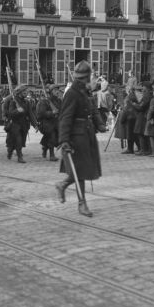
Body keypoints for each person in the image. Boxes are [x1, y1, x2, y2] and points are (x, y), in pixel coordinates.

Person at [55, 60, 106, 217]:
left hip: (87, 135)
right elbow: (65, 118)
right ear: (86, 77)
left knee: (83, 170)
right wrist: (64, 140)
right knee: (80, 172)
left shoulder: (85, 91)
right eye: (91, 77)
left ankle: (63, 185)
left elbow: (92, 111)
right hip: (76, 138)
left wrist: (100, 124)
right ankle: (81, 204)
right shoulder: (72, 93)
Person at [3, 85, 33, 163]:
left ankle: (10, 150)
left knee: (21, 141)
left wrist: (35, 124)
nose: (26, 93)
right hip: (15, 125)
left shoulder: (27, 102)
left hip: (24, 125)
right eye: (24, 91)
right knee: (18, 141)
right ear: (19, 92)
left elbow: (30, 114)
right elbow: (10, 113)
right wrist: (17, 111)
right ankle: (19, 157)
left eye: (26, 91)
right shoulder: (13, 101)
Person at [36, 84, 62, 161]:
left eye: (57, 90)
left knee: (53, 137)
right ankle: (52, 155)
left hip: (55, 123)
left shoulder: (59, 101)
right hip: (46, 123)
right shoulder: (44, 101)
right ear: (50, 92)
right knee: (52, 137)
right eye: (55, 90)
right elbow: (41, 113)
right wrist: (52, 113)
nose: (57, 92)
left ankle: (45, 147)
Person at [132, 81, 152, 155]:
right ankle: (145, 149)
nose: (142, 88)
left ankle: (143, 150)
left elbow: (141, 107)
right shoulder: (148, 94)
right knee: (142, 133)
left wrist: (134, 105)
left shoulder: (147, 95)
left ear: (146, 87)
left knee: (141, 133)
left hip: (143, 116)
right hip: (144, 115)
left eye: (143, 87)